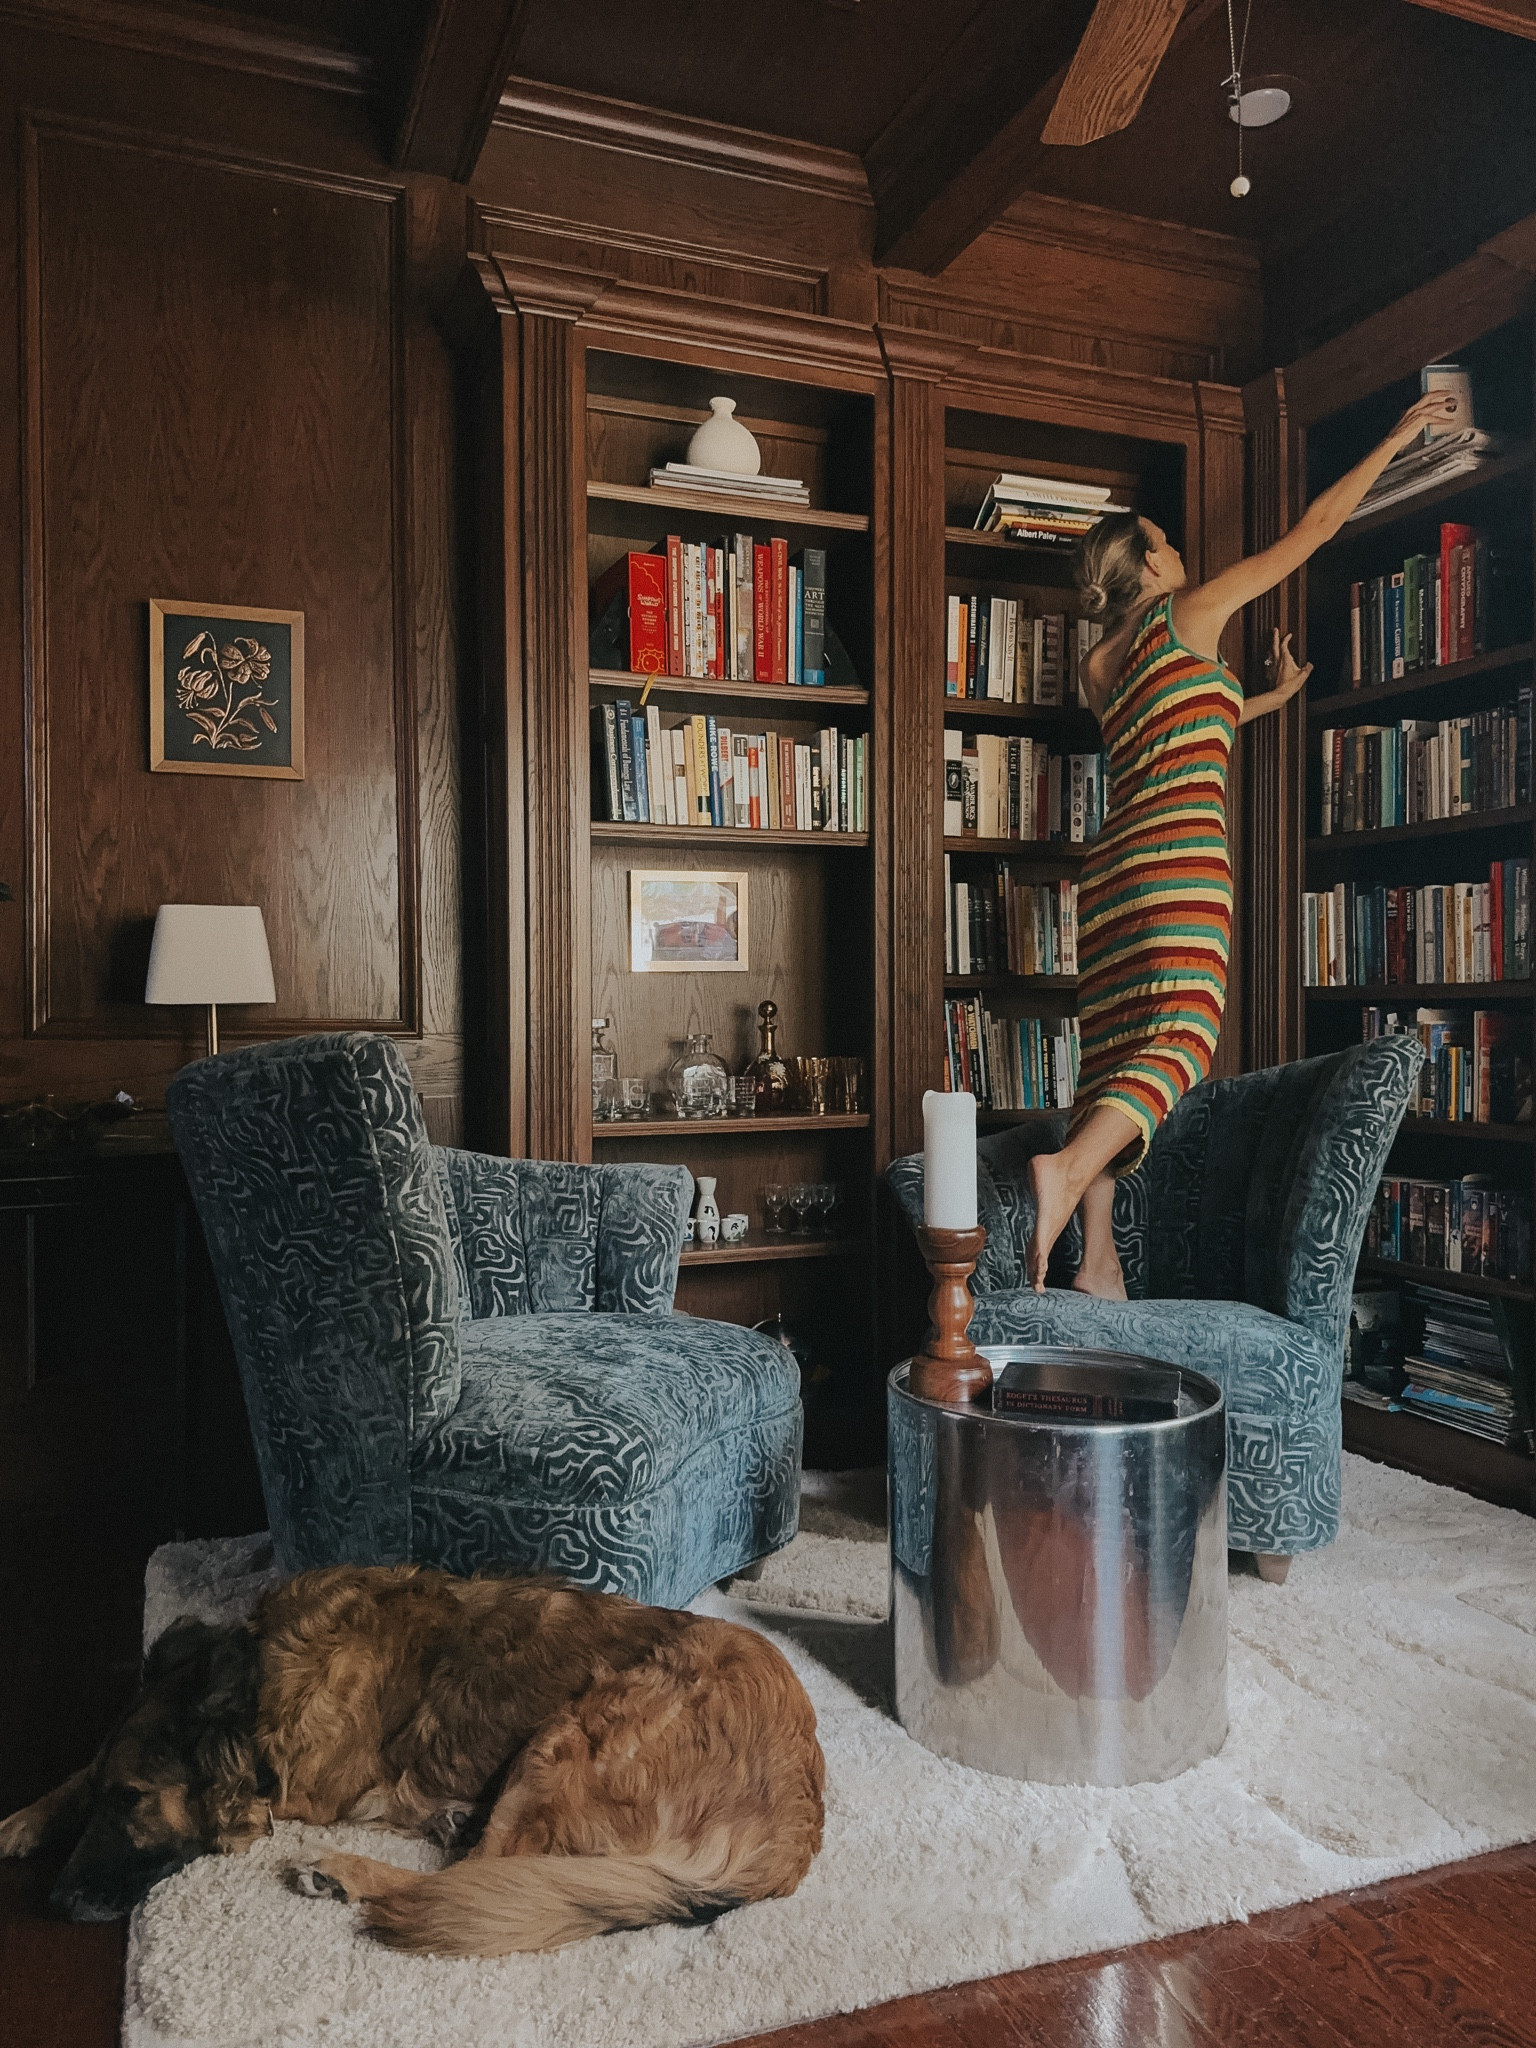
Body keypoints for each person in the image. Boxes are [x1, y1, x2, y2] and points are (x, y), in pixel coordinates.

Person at [1030, 389, 1459, 1297]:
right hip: (1180, 859)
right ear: (1152, 561)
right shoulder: (1191, 609)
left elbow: (1177, 727)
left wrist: (1266, 697)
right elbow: (1314, 529)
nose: (1179, 550)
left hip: (1109, 877)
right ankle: (1063, 1174)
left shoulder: (1099, 666)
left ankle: (1097, 1262)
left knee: (1112, 1052)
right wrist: (1396, 435)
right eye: (1166, 541)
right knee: (1182, 1036)